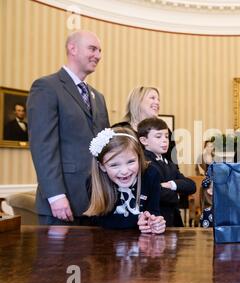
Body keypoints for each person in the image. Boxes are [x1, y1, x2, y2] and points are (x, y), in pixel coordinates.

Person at [27, 30, 110, 225]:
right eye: (92, 48)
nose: (98, 55)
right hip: (62, 205)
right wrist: (56, 196)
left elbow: (106, 147)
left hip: (97, 203)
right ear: (72, 48)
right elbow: (43, 146)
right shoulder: (46, 87)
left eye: (99, 50)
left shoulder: (98, 97)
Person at [83, 127, 165, 233]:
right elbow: (100, 220)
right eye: (114, 165)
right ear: (102, 166)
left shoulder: (151, 175)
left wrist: (154, 222)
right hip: (107, 243)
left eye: (131, 162)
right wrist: (136, 221)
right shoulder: (94, 182)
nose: (124, 171)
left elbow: (153, 211)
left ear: (139, 158)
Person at [137, 117, 196, 227]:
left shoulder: (170, 164)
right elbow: (152, 193)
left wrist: (170, 185)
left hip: (174, 221)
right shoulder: (143, 163)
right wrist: (178, 195)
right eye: (158, 136)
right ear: (144, 141)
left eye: (167, 136)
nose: (164, 140)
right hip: (154, 222)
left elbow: (191, 186)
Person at [116, 86, 177, 163]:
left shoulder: (165, 131)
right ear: (138, 101)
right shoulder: (121, 131)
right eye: (152, 98)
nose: (157, 102)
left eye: (158, 100)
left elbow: (173, 165)